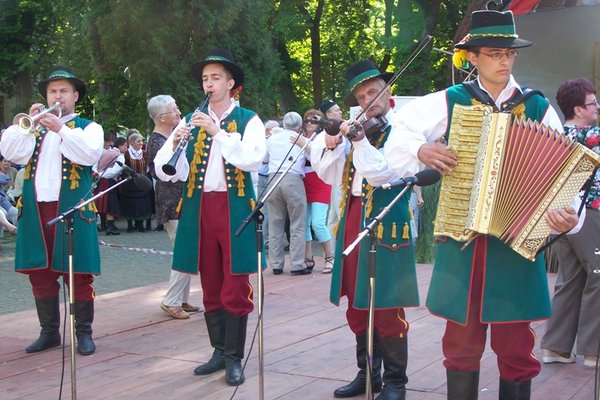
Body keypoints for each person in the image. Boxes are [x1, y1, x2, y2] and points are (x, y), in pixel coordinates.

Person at [385, 10, 582, 399]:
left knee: (516, 348)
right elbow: (397, 133)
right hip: (463, 241)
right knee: (461, 345)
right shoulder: (449, 101)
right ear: (472, 57)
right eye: (493, 53)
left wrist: (567, 216)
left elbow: (566, 168)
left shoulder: (538, 107)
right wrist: (419, 148)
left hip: (516, 245)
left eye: (509, 54)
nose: (504, 61)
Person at [154, 48, 266, 386]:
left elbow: (253, 160)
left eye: (215, 77)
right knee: (211, 284)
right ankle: (218, 351)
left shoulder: (249, 120)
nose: (209, 83)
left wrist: (218, 132)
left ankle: (234, 358)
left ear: (231, 83)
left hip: (235, 210)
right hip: (200, 208)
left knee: (235, 285)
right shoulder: (191, 120)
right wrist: (176, 140)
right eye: (205, 78)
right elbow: (167, 170)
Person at [311, 60, 419, 400]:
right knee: (357, 304)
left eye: (374, 92)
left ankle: (396, 382)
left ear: (389, 94)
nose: (368, 100)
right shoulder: (357, 130)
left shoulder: (404, 132)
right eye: (361, 96)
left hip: (388, 220)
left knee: (386, 304)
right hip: (353, 218)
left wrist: (359, 142)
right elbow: (326, 173)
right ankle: (367, 373)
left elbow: (383, 175)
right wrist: (332, 141)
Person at [0, 66, 103, 355]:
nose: (58, 96)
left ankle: (83, 333)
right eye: (52, 92)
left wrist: (61, 129)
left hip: (72, 212)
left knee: (78, 273)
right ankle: (49, 332)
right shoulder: (35, 130)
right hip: (36, 211)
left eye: (63, 91)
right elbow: (10, 151)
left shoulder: (88, 128)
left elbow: (87, 155)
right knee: (40, 273)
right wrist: (28, 122)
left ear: (75, 96)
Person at [540, 78, 600, 369]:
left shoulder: (556, 135)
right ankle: (593, 351)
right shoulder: (593, 136)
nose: (597, 107)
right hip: (591, 214)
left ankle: (556, 347)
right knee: (598, 277)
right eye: (593, 103)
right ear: (579, 109)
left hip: (561, 217)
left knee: (569, 279)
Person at [146, 94, 199, 320]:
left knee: (187, 249)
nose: (179, 114)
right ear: (161, 117)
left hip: (179, 199)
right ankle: (171, 300)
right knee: (183, 251)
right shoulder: (158, 141)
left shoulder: (170, 135)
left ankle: (182, 299)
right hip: (172, 201)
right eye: (174, 110)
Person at [265, 111, 309, 275]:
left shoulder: (272, 138)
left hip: (273, 179)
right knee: (297, 223)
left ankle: (276, 264)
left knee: (275, 222)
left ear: (283, 124)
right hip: (293, 180)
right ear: (299, 126)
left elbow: (264, 158)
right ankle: (297, 264)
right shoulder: (300, 139)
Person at [291, 109, 334, 274]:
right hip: (304, 181)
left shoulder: (324, 137)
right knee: (304, 222)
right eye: (308, 119)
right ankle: (307, 257)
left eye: (315, 120)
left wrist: (303, 144)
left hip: (320, 180)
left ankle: (329, 257)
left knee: (318, 222)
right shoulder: (301, 137)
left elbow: (320, 155)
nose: (311, 123)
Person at [120, 130, 153, 232]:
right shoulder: (125, 154)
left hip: (142, 182)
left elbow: (147, 168)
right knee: (130, 203)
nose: (141, 143)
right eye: (139, 141)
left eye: (142, 141)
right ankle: (130, 224)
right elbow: (121, 168)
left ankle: (141, 224)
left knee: (142, 203)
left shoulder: (145, 154)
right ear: (132, 143)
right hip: (129, 183)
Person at [256, 119, 280, 249]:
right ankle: (264, 239)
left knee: (273, 210)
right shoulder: (264, 142)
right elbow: (263, 160)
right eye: (274, 130)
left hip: (273, 178)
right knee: (264, 210)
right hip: (263, 177)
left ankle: (270, 240)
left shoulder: (277, 142)